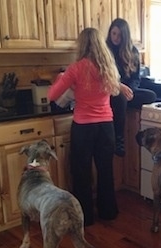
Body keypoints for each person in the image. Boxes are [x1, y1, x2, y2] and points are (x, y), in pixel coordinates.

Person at [47, 27, 121, 226]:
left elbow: (52, 95)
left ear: (82, 45)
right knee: (105, 170)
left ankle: (85, 217)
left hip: (84, 127)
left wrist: (61, 79)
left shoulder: (76, 68)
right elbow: (114, 92)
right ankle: (108, 211)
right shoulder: (109, 67)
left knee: (82, 172)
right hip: (106, 126)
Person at [106, 18, 157, 157]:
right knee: (120, 98)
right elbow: (104, 76)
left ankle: (123, 104)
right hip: (110, 91)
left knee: (151, 95)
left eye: (120, 35)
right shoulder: (105, 51)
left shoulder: (133, 51)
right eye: (114, 34)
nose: (116, 38)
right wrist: (121, 89)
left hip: (127, 91)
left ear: (125, 36)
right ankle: (119, 140)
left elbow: (136, 78)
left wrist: (131, 90)